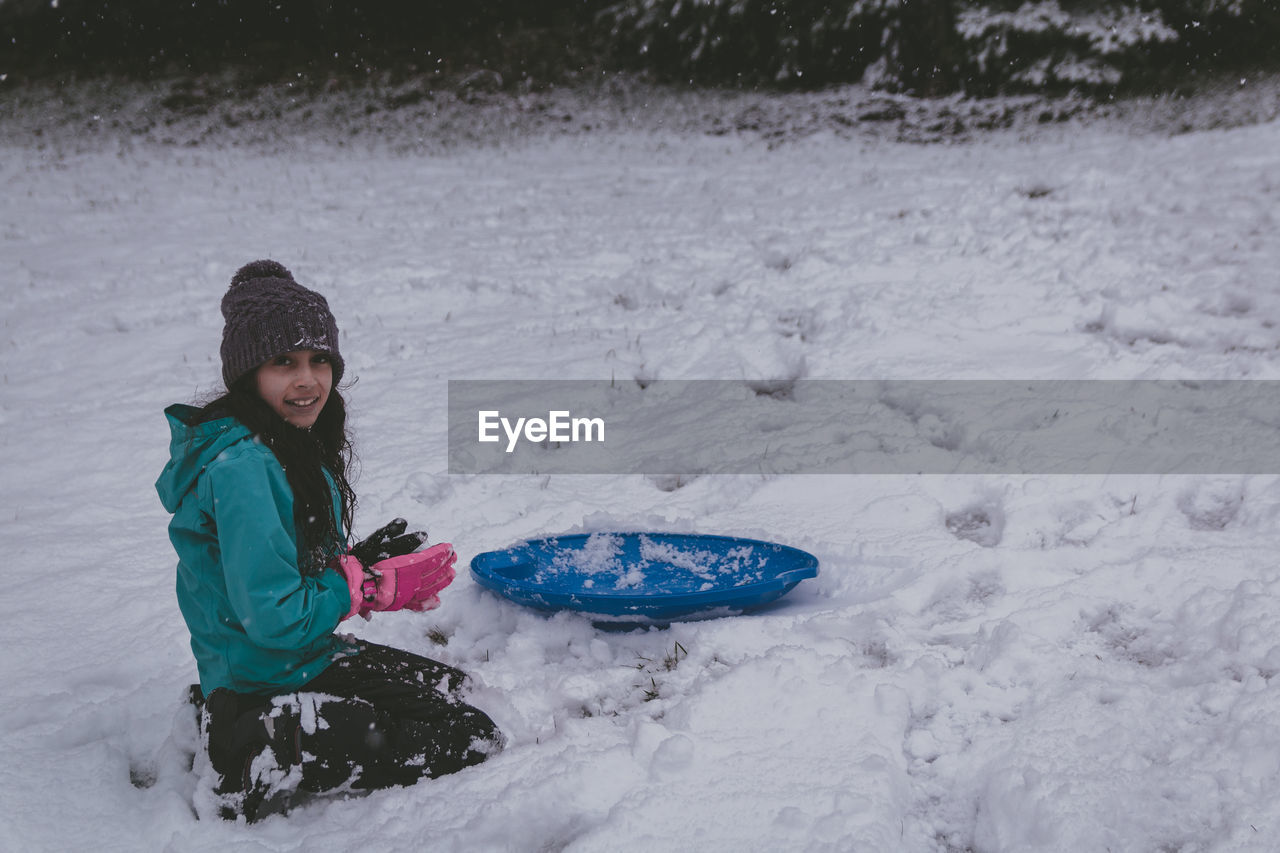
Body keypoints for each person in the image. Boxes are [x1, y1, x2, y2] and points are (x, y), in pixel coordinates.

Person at [155, 259, 500, 822]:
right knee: (469, 735)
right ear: (249, 374)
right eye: (283, 362)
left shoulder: (286, 440)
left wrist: (358, 563)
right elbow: (273, 617)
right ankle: (249, 744)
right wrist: (360, 590)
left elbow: (280, 564)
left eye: (319, 360)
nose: (307, 379)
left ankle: (243, 715)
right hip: (266, 668)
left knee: (457, 688)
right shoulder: (244, 469)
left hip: (299, 655)